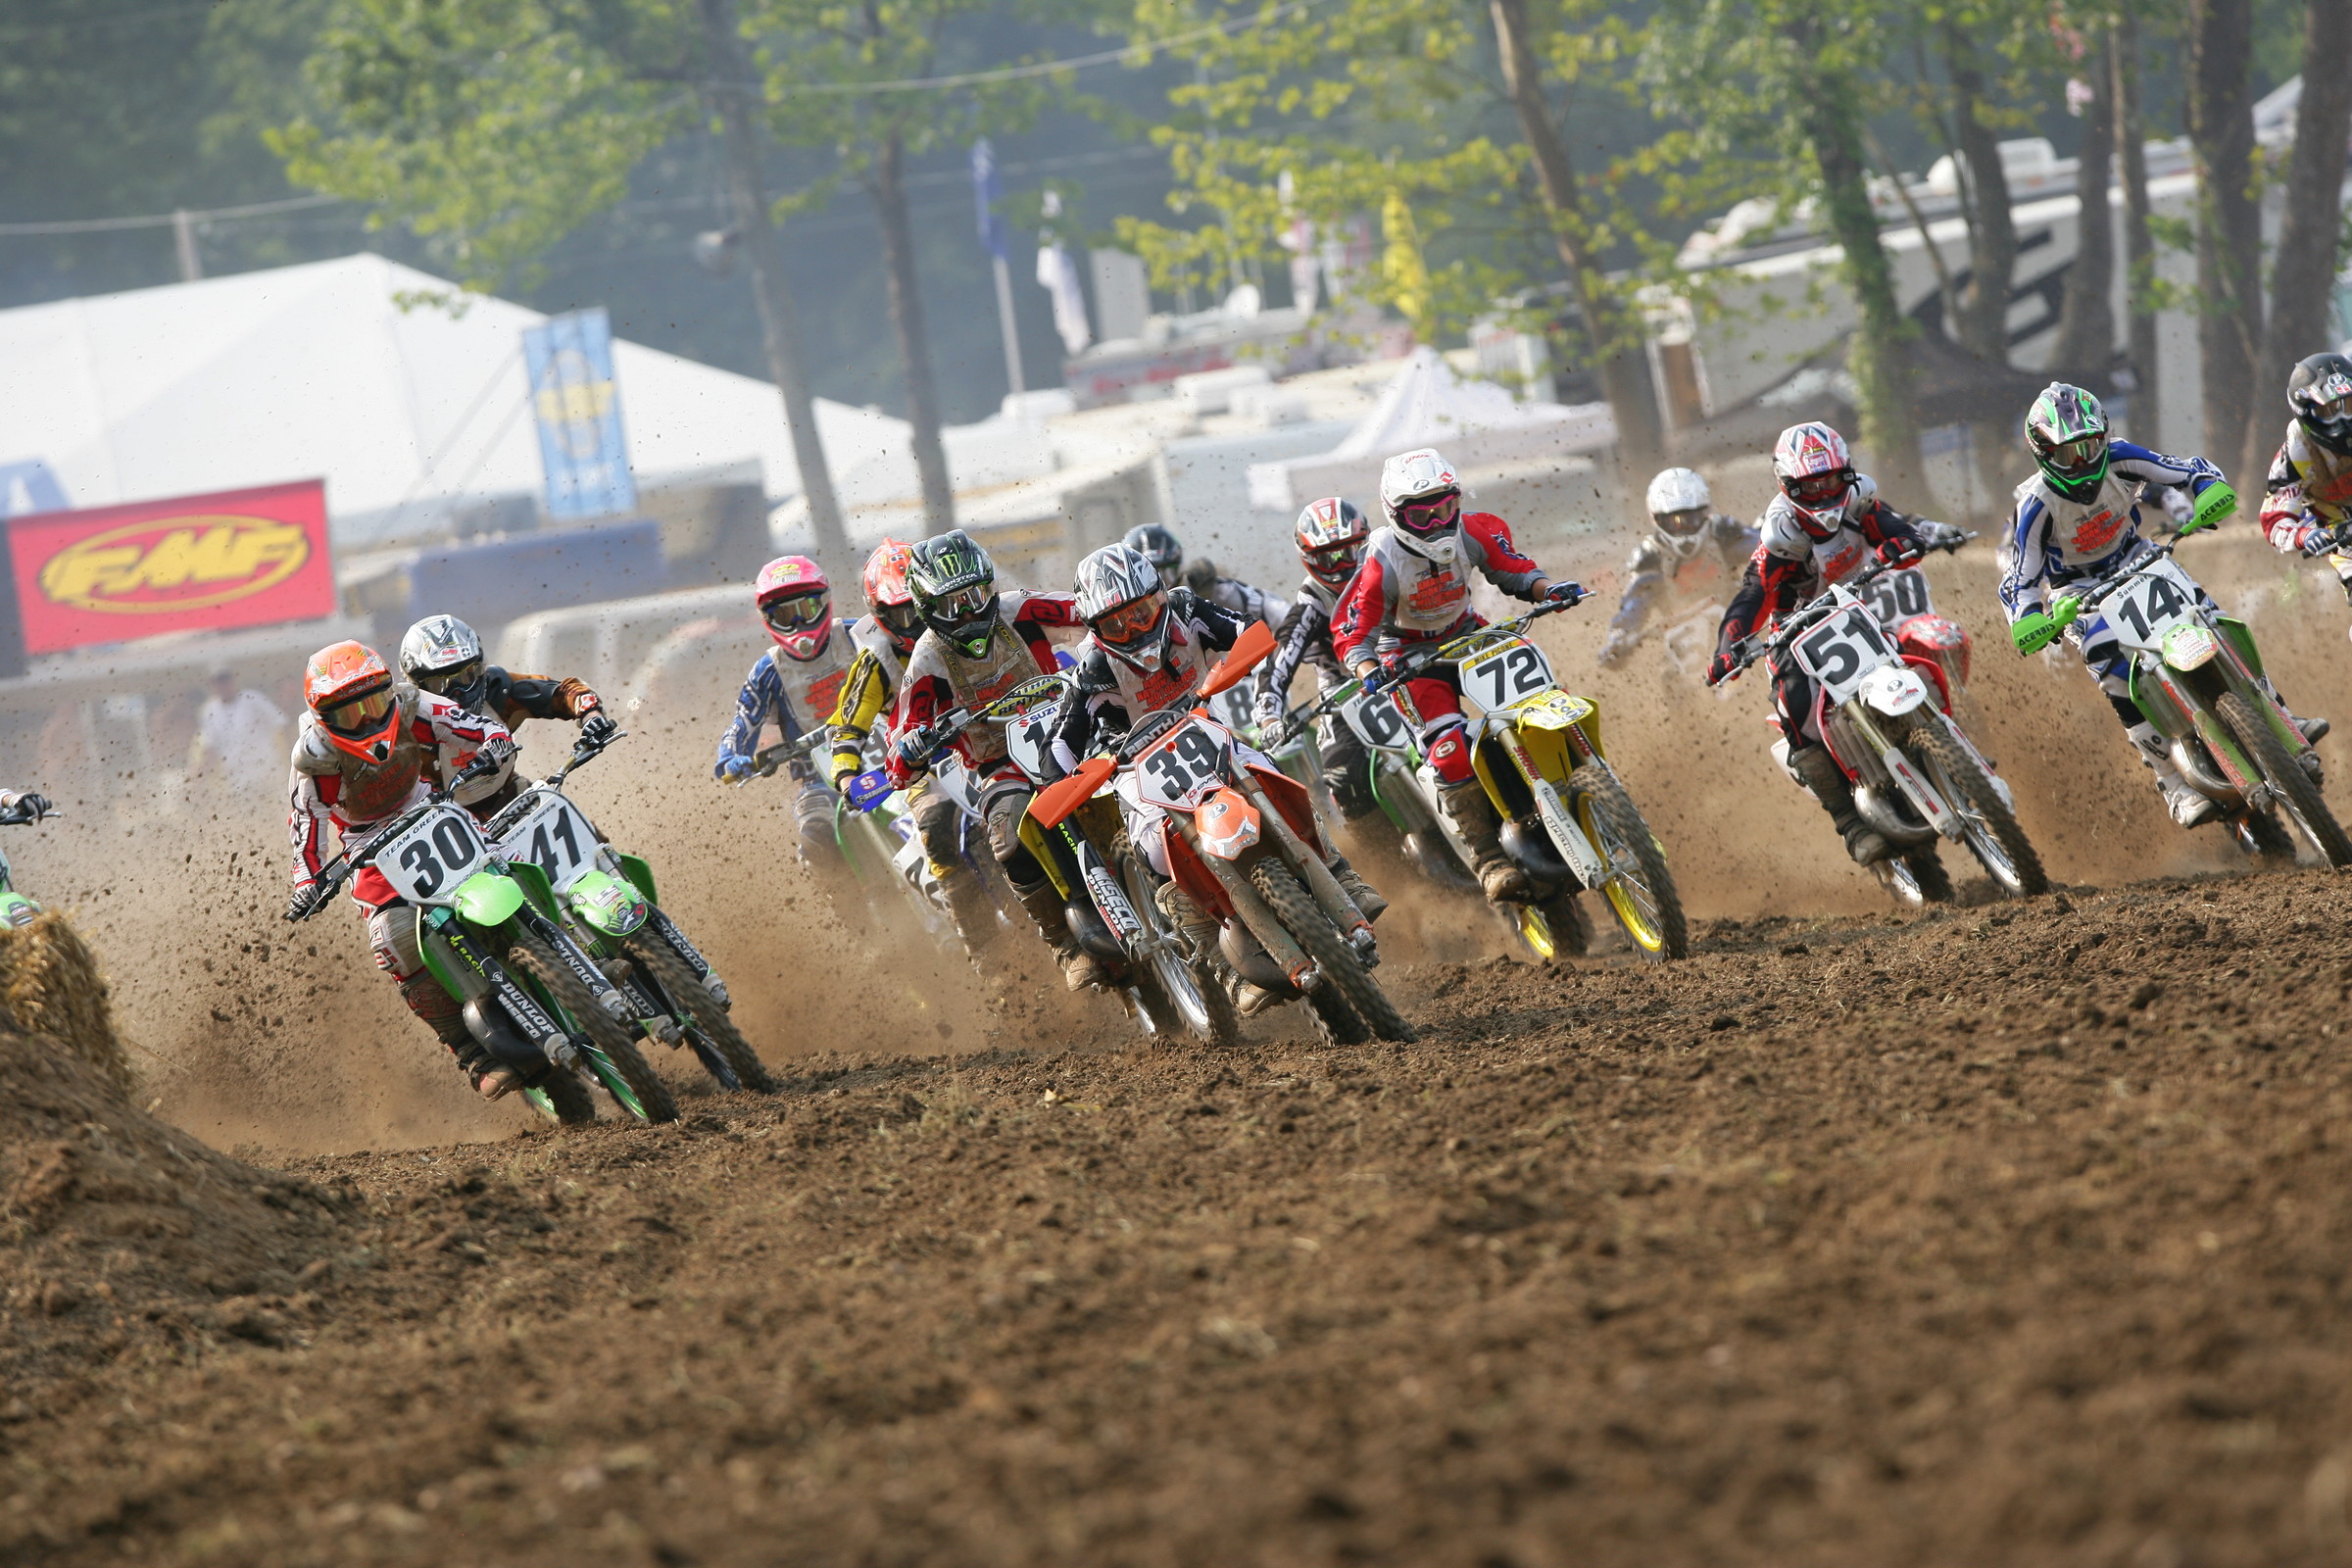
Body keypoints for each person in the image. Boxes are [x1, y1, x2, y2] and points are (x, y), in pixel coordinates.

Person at [1996, 383, 2322, 828]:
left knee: (2209, 615)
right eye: (2069, 454)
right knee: (2110, 670)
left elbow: (2186, 469)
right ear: (2045, 454)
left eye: (2090, 445)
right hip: (2078, 591)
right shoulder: (2035, 506)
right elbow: (2020, 581)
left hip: (2136, 556)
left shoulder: (2121, 455)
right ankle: (2172, 781)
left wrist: (2207, 491)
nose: (2084, 461)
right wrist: (2032, 618)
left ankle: (2276, 710)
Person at [1331, 448, 1588, 903]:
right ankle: (1488, 859)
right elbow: (1353, 631)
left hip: (1468, 634)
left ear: (1457, 501)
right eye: (1421, 515)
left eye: (1444, 508)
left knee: (1539, 696)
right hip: (1408, 658)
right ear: (1396, 516)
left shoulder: (1472, 530)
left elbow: (1512, 570)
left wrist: (1551, 589)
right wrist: (1368, 669)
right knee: (1448, 750)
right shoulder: (1381, 560)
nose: (1437, 523)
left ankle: (1588, 792)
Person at [1708, 422, 1965, 863]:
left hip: (1860, 609)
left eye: (1830, 480)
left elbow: (1896, 529)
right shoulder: (1778, 538)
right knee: (1795, 711)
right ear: (1788, 486)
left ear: (1845, 474)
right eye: (1810, 486)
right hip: (1796, 632)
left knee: (1909, 650)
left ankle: (1955, 748)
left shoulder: (1860, 502)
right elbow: (1751, 596)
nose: (1823, 493)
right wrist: (1727, 648)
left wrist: (1904, 543)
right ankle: (1849, 824)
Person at [285, 640, 524, 1098]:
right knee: (392, 941)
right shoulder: (313, 761)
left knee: (513, 856)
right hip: (370, 846)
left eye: (374, 704)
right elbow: (305, 836)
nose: (368, 720)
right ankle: (472, 1054)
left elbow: (473, 726)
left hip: (430, 809)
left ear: (389, 692)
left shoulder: (413, 703)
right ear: (322, 718)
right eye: (349, 715)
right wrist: (307, 885)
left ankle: (577, 951)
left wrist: (495, 743)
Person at [884, 529, 1091, 985]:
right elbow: (902, 742)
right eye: (952, 605)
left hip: (1071, 734)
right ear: (926, 608)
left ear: (990, 586)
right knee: (1010, 838)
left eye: (976, 595)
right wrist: (913, 746)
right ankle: (1062, 941)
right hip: (1000, 764)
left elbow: (1088, 607)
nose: (969, 612)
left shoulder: (1021, 608)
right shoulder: (926, 660)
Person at [713, 557, 857, 877]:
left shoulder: (856, 635)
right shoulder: (768, 671)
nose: (797, 625)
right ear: (768, 619)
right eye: (784, 616)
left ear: (824, 602)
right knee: (815, 840)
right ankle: (852, 912)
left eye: (805, 610)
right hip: (820, 782)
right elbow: (743, 723)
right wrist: (731, 757)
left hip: (890, 757)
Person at [1253, 496, 1389, 831]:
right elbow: (1277, 665)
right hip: (1346, 693)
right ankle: (1386, 866)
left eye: (1351, 551)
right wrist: (1269, 716)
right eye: (1329, 558)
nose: (1343, 565)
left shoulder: (1392, 565)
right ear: (1308, 560)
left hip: (1409, 667)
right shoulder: (1310, 606)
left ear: (1366, 541)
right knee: (1341, 773)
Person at [397, 615, 616, 810]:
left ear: (481, 667)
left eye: (466, 676)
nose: (459, 693)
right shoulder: (405, 724)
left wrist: (591, 716)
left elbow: (563, 692)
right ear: (417, 687)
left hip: (512, 798)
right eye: (441, 685)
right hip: (446, 822)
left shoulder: (499, 689)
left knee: (585, 833)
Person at [1596, 468, 1759, 669]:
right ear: (1656, 520)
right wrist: (1619, 640)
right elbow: (1635, 603)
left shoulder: (1724, 534)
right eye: (1673, 522)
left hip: (1741, 620)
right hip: (1682, 639)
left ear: (1705, 512)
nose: (1683, 528)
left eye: (1690, 519)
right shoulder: (1651, 557)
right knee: (1669, 673)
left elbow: (1767, 549)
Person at [826, 538, 923, 790]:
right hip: (919, 765)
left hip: (986, 741)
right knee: (935, 817)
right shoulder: (875, 662)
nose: (916, 621)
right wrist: (846, 778)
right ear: (880, 614)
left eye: (921, 605)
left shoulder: (964, 629)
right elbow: (850, 728)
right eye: (904, 614)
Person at [2259, 352, 2352, 612]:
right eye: (2329, 410)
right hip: (2346, 539)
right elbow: (2274, 519)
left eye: (2349, 405)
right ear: (2307, 413)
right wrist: (2305, 534)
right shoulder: (2296, 454)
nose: (2344, 418)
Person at [1122, 521, 1287, 632]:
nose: (1161, 585)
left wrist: (1297, 623)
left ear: (1178, 566)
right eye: (1150, 575)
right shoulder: (1122, 615)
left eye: (1166, 573)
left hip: (1218, 675)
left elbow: (1274, 610)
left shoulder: (1200, 586)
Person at [189, 666, 287, 796]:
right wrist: (198, 778)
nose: (223, 685)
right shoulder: (210, 710)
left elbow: (280, 724)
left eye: (225, 680)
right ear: (211, 685)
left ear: (233, 680)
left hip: (267, 770)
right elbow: (210, 747)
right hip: (238, 778)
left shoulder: (253, 698)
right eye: (218, 682)